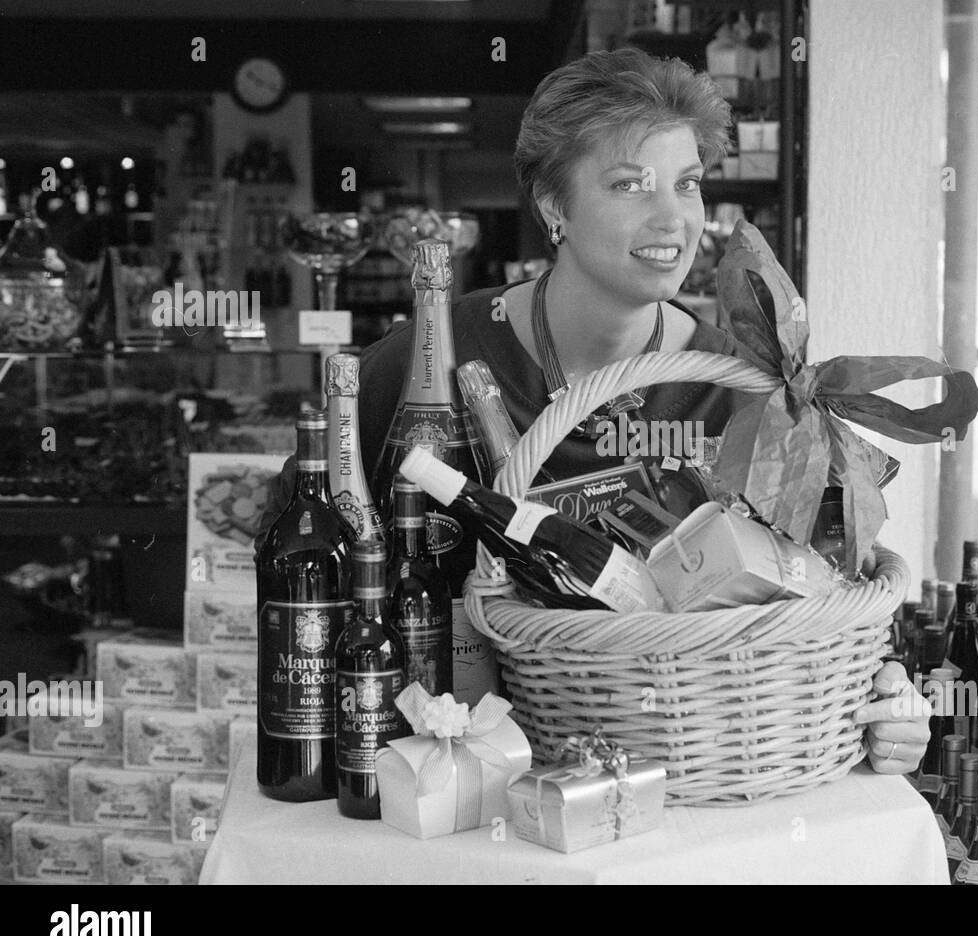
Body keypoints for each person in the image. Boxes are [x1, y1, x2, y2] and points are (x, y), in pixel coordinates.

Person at [257, 47, 929, 774]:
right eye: (629, 185)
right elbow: (304, 530)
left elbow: (817, 589)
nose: (673, 218)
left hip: (666, 766)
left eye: (688, 184)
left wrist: (888, 692)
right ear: (554, 206)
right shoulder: (435, 354)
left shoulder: (734, 387)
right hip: (445, 768)